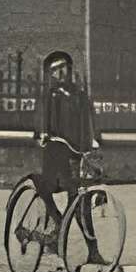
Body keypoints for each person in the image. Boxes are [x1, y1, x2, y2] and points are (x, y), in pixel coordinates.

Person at [32, 50, 100, 250]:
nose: (60, 73)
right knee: (47, 186)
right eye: (54, 70)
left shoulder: (80, 95)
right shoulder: (50, 95)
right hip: (56, 149)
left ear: (70, 69)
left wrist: (94, 139)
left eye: (63, 68)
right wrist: (43, 134)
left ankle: (93, 250)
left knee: (81, 201)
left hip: (78, 151)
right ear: (50, 74)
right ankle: (57, 220)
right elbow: (42, 118)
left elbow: (90, 120)